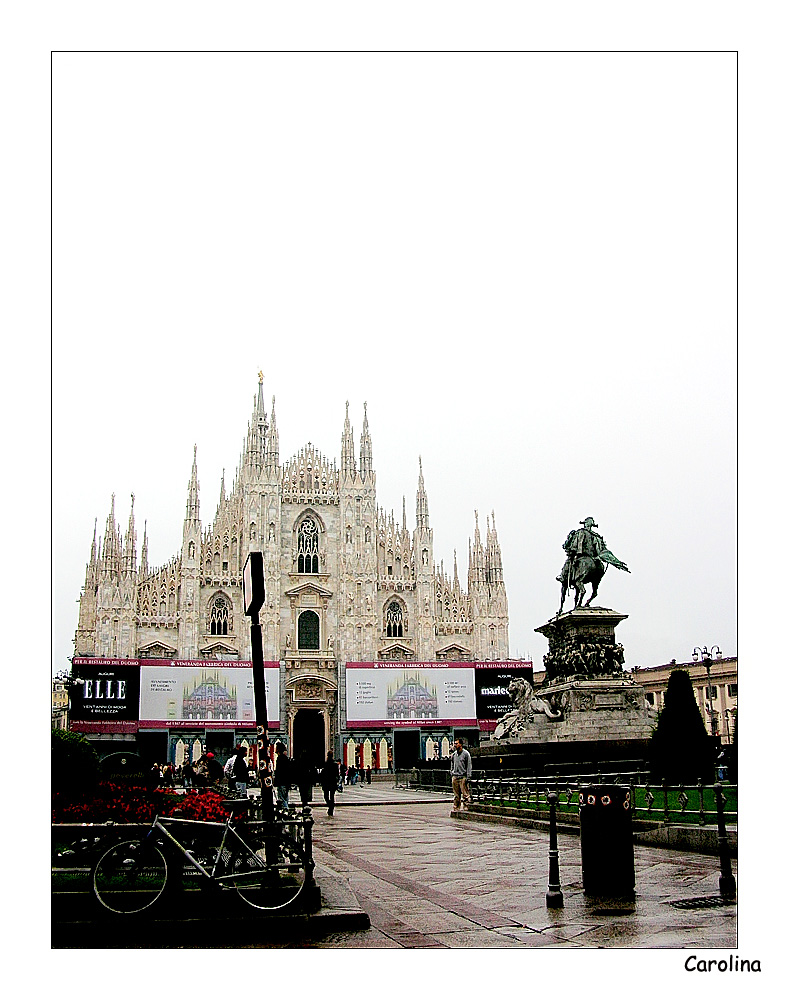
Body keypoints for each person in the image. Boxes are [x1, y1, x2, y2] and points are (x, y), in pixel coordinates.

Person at [450, 738, 472, 811]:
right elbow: (452, 764)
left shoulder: (466, 754)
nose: (455, 745)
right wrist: (452, 772)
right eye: (455, 744)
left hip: (463, 776)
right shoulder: (454, 755)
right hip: (455, 776)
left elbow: (469, 765)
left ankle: (466, 806)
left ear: (461, 744)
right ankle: (456, 806)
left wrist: (468, 776)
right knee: (456, 794)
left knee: (465, 793)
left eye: (457, 743)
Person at [320, 751, 340, 816]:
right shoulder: (334, 764)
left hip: (326, 782)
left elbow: (323, 773)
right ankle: (331, 807)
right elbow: (337, 774)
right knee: (332, 796)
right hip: (332, 782)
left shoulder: (326, 764)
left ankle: (330, 807)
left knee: (326, 796)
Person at [273, 741, 291, 809]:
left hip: (282, 782)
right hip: (285, 782)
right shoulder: (285, 758)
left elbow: (279, 772)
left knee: (282, 799)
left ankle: (286, 811)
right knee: (285, 798)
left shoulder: (280, 759)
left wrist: (276, 781)